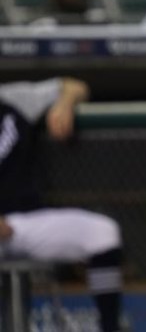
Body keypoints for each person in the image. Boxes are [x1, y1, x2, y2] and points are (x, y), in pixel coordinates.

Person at [0, 77, 125, 332]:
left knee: (102, 232)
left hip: (23, 223)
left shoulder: (13, 98)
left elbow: (75, 86)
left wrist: (65, 103)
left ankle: (109, 328)